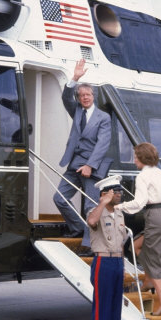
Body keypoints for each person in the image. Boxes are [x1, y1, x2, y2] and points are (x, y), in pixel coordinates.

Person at [53, 59, 112, 248]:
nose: (85, 98)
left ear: (93, 96)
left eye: (88, 94)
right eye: (82, 95)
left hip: (91, 167)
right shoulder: (77, 110)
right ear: (79, 98)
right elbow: (65, 98)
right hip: (74, 163)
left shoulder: (103, 117)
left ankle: (89, 243)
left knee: (90, 206)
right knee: (59, 198)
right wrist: (75, 78)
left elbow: (103, 144)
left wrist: (90, 165)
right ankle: (77, 227)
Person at [114, 142, 161, 317]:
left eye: (135, 157)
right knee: (135, 246)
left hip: (156, 216)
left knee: (153, 258)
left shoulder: (142, 176)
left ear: (142, 158)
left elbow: (139, 203)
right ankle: (149, 280)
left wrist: (119, 207)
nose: (134, 161)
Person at [87, 175, 127, 320]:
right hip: (103, 262)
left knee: (116, 306)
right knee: (103, 305)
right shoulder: (95, 211)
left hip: (117, 262)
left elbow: (121, 241)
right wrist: (103, 203)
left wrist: (122, 265)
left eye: (120, 191)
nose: (119, 194)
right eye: (115, 191)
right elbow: (92, 221)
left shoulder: (119, 214)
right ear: (104, 194)